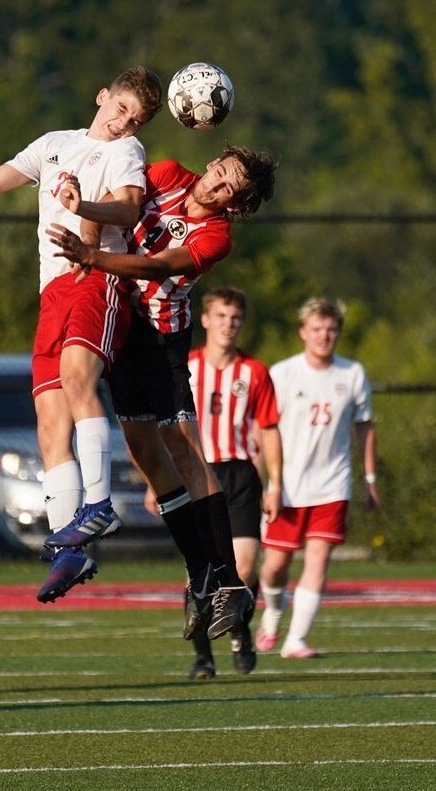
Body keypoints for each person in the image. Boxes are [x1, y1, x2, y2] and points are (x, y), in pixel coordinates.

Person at [0, 66, 163, 603]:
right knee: (48, 423)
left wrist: (81, 207)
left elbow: (129, 206)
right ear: (101, 95)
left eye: (135, 119)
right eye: (119, 110)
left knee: (76, 379)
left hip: (94, 277)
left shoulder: (126, 153)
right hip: (52, 294)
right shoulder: (53, 145)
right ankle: (71, 551)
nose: (123, 123)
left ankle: (99, 506)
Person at [47, 147, 277, 643]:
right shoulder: (169, 173)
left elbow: (157, 268)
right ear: (212, 161)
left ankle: (232, 583)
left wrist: (93, 257)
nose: (214, 185)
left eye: (227, 188)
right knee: (145, 452)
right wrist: (86, 224)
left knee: (184, 447)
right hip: (123, 326)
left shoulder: (217, 237)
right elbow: (118, 204)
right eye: (219, 171)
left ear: (234, 205)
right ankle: (200, 573)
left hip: (161, 337)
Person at [258, 297, 380, 658]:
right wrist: (266, 481)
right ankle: (274, 611)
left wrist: (370, 479)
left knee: (318, 559)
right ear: (302, 332)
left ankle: (296, 640)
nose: (324, 336)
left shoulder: (352, 374)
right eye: (317, 329)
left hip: (333, 484)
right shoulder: (282, 374)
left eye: (331, 329)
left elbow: (365, 428)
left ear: (338, 333)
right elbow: (264, 431)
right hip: (288, 487)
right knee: (275, 567)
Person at [180, 286, 282, 678]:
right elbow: (163, 429)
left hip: (240, 475)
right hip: (196, 472)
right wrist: (155, 483)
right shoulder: (185, 367)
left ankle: (240, 630)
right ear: (205, 319)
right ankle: (203, 658)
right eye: (221, 316)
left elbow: (269, 429)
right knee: (197, 572)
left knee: (242, 566)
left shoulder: (254, 372)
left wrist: (275, 483)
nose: (228, 324)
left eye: (235, 318)